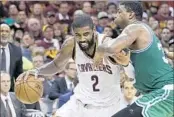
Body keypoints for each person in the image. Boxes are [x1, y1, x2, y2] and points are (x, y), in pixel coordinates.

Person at [19, 14, 132, 117]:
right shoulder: (71, 44)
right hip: (80, 103)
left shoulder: (108, 43)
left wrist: (121, 61)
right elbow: (57, 65)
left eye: (86, 34)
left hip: (109, 107)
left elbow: (126, 53)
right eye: (78, 35)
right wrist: (37, 71)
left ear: (94, 30)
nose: (82, 39)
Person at [93, 1, 173, 117]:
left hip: (165, 91)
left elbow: (112, 48)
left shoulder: (135, 28)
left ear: (130, 15)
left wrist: (100, 49)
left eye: (119, 12)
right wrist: (126, 65)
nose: (115, 15)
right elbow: (134, 77)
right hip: (155, 93)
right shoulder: (134, 40)